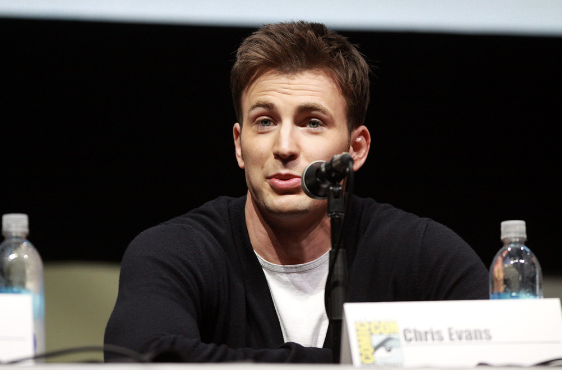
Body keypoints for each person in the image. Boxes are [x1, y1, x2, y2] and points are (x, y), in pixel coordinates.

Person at [104, 21, 488, 363]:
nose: (284, 146)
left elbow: (508, 354)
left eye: (312, 123)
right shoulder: (175, 251)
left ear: (355, 149)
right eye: (265, 121)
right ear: (240, 144)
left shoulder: (423, 255)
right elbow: (141, 357)